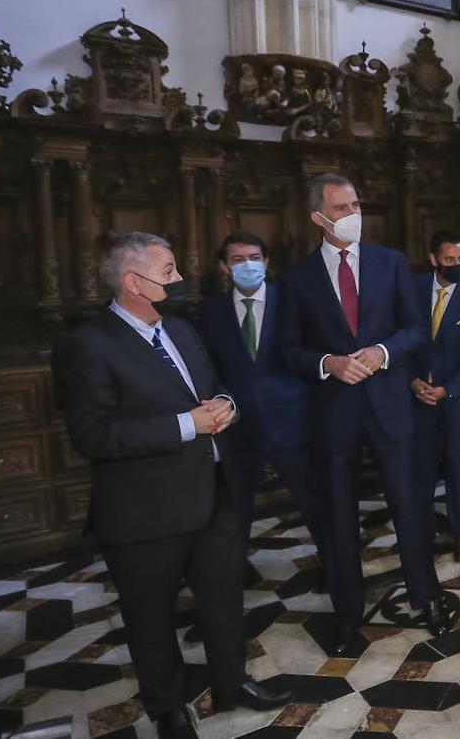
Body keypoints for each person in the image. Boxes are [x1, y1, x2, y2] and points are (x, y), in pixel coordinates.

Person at [53, 232, 291, 739]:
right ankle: (167, 708)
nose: (180, 279)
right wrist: (188, 424)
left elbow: (211, 390)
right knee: (150, 615)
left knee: (225, 599)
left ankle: (232, 684)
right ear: (134, 282)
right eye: (169, 272)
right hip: (144, 511)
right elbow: (92, 436)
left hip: (213, 495)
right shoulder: (87, 345)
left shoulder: (182, 330)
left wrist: (227, 405)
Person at [280, 173, 449, 651]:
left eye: (356, 204)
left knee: (409, 504)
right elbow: (288, 350)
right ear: (318, 217)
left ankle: (427, 595)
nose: (352, 214)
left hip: (389, 404)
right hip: (333, 411)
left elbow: (416, 329)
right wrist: (328, 362)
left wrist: (381, 352)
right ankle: (347, 611)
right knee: (336, 513)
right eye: (340, 208)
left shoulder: (390, 263)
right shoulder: (297, 278)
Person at [196, 231, 323, 586]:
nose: (247, 265)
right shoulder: (211, 310)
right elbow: (207, 367)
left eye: (254, 257)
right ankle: (227, 590)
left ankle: (337, 575)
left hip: (293, 423)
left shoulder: (292, 302)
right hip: (237, 428)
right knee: (234, 514)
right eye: (237, 260)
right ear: (224, 266)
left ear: (266, 261)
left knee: (315, 504)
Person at [411, 231, 460, 561]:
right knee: (421, 466)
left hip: (457, 397)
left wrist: (448, 388)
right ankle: (421, 531)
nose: (457, 265)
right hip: (417, 395)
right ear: (433, 260)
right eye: (450, 260)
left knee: (457, 464)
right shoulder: (412, 292)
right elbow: (400, 342)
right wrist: (413, 382)